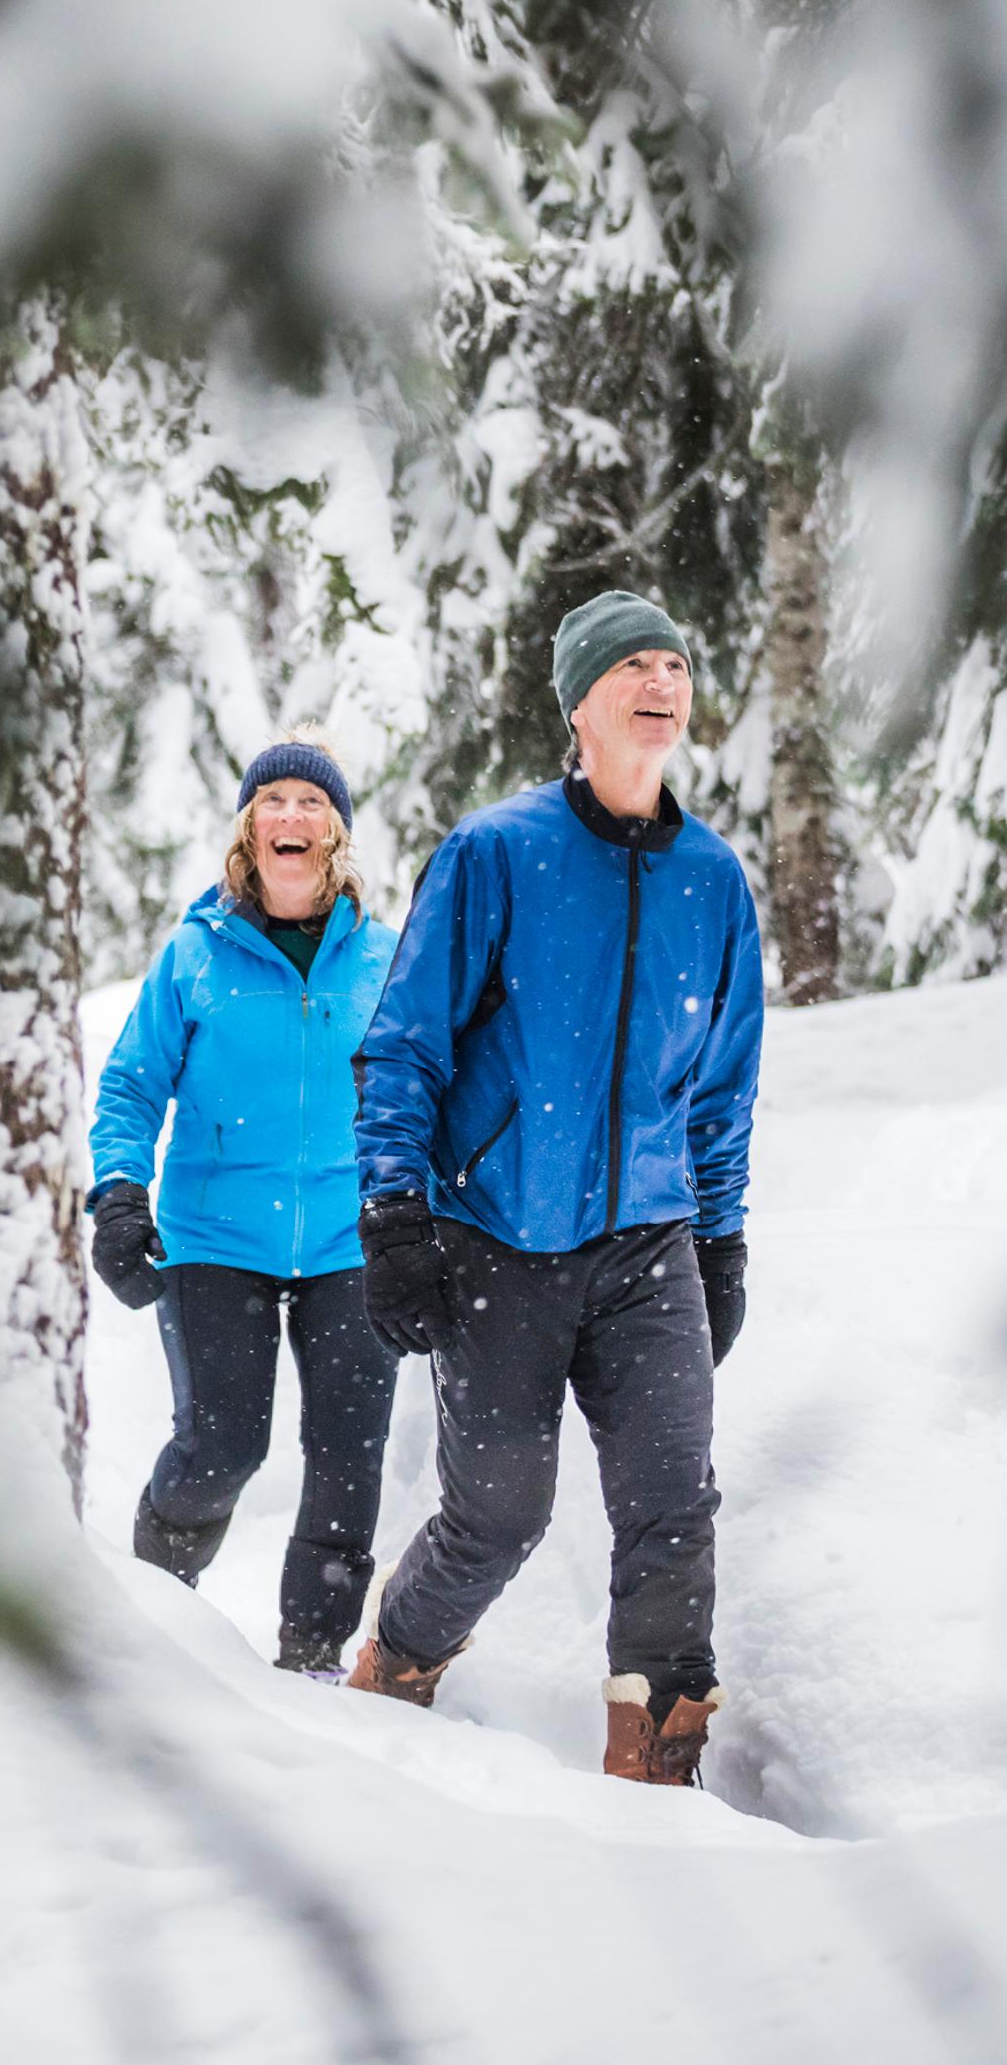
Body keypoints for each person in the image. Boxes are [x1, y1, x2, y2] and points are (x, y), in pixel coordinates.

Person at [348, 590, 763, 1787]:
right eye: (632, 664)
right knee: (499, 1514)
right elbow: (404, 1048)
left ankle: (658, 1768)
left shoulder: (711, 878)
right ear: (578, 702)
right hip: (495, 1239)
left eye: (674, 662)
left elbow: (722, 1089)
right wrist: (393, 1213)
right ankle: (397, 1663)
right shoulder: (496, 852)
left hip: (649, 1244)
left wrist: (721, 1240)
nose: (660, 681)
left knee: (673, 1508)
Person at [88, 736, 400, 1678]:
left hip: (349, 1241)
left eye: (312, 801)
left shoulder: (383, 958)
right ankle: (149, 1620)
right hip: (217, 1236)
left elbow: (432, 1086)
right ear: (248, 827)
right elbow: (131, 1084)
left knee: (348, 1455)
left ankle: (311, 1655)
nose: (292, 816)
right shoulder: (196, 954)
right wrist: (118, 1196)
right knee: (220, 1446)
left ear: (335, 831)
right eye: (274, 800)